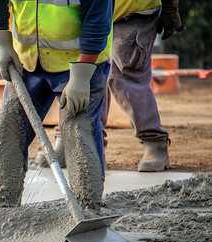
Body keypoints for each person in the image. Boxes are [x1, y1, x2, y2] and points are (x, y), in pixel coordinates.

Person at [0, 0, 114, 209]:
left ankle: (89, 208)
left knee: (77, 131)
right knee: (9, 129)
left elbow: (98, 17)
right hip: (26, 61)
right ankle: (4, 207)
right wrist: (0, 40)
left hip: (79, 62)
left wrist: (82, 74)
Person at [39, 0, 184, 172]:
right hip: (88, 10)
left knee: (124, 75)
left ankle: (154, 143)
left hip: (133, 10)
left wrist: (170, 8)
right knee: (80, 71)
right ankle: (73, 143)